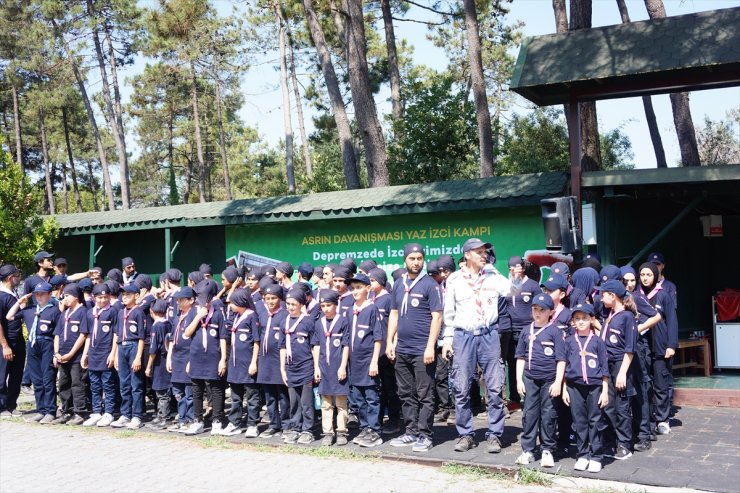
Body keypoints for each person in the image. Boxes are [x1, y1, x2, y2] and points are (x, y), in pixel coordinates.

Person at [441, 239, 511, 454]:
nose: (484, 255)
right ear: (467, 255)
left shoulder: (492, 276)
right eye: (479, 252)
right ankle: (465, 435)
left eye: (485, 252)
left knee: (495, 386)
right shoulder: (454, 280)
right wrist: (447, 340)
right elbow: (449, 314)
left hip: (489, 334)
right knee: (461, 388)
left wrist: (492, 269)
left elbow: (511, 291)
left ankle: (494, 435)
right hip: (464, 336)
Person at [386, 243, 444, 453]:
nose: (416, 262)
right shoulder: (399, 285)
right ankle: (410, 432)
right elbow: (393, 313)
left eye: (419, 258)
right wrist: (390, 341)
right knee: (405, 393)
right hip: (402, 349)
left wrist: (431, 347)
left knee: (425, 394)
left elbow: (437, 317)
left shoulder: (430, 284)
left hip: (422, 350)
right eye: (412, 258)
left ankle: (425, 435)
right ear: (405, 260)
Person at [514, 293, 566, 467]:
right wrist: (519, 380)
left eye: (542, 310)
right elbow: (520, 357)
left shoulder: (555, 331)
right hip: (530, 378)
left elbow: (561, 360)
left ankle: (547, 450)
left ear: (550, 312)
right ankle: (528, 450)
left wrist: (558, 382)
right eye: (535, 309)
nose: (538, 313)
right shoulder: (525, 330)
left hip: (549, 380)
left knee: (549, 415)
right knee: (529, 414)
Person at [562, 303, 609, 473]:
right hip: (574, 387)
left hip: (594, 386)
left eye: (585, 318)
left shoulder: (598, 342)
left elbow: (604, 368)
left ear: (592, 320)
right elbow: (565, 366)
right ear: (573, 321)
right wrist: (565, 388)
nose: (581, 322)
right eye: (577, 319)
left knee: (595, 420)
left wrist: (604, 391)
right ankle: (582, 454)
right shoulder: (568, 342)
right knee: (579, 421)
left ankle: (596, 455)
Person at [6, 280, 61, 423]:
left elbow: (58, 334)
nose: (39, 297)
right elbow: (9, 316)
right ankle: (41, 409)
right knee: (36, 380)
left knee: (48, 378)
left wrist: (56, 352)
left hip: (47, 343)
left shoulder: (54, 311)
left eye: (42, 294)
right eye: (37, 294)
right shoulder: (30, 310)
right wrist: (19, 302)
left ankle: (50, 410)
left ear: (49, 294)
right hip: (32, 344)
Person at [621, 265, 661, 450]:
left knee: (640, 389)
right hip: (619, 349)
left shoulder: (636, 297)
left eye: (632, 280)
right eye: (625, 280)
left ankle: (645, 431)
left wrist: (637, 329)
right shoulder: (613, 299)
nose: (629, 284)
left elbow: (656, 316)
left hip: (638, 347)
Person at [596, 279, 637, 460]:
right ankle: (611, 440)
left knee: (622, 406)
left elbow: (630, 348)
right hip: (607, 363)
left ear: (613, 296)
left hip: (620, 364)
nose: (600, 298)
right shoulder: (610, 315)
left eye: (603, 295)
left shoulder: (627, 317)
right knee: (609, 405)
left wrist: (622, 372)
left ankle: (625, 444)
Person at [183, 280, 228, 436]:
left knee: (216, 389)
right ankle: (198, 421)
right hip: (196, 357)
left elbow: (223, 337)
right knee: (196, 389)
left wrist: (223, 359)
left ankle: (216, 421)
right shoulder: (192, 313)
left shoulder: (218, 313)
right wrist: (197, 318)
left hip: (213, 357)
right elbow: (187, 334)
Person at [638, 262, 678, 436]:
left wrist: (671, 345)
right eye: (642, 275)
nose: (645, 278)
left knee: (661, 385)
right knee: (645, 386)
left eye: (648, 275)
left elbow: (672, 321)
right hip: (642, 347)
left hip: (661, 347)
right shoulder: (635, 296)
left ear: (655, 275)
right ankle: (647, 418)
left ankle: (663, 419)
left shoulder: (663, 296)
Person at [345, 274, 384, 448]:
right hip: (355, 364)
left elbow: (377, 338)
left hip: (368, 361)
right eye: (352, 288)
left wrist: (374, 361)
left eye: (359, 287)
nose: (355, 291)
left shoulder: (371, 309)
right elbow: (347, 338)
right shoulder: (350, 310)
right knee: (358, 398)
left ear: (368, 289)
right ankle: (365, 427)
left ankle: (375, 431)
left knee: (371, 397)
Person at [279, 288, 317, 444]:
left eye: (294, 304)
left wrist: (316, 368)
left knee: (306, 402)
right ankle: (295, 428)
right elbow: (282, 347)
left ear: (301, 304)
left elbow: (314, 346)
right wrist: (282, 368)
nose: (290, 307)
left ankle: (308, 430)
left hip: (306, 367)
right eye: (288, 304)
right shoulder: (284, 322)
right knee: (294, 401)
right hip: (290, 367)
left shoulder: (308, 322)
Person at [313, 289, 350, 446]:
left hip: (338, 368)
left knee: (341, 402)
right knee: (326, 403)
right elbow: (315, 346)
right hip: (324, 368)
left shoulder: (343, 321)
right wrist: (316, 367)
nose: (326, 309)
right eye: (323, 305)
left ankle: (341, 431)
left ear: (336, 305)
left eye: (329, 305)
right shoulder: (318, 323)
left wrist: (343, 366)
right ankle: (328, 432)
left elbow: (346, 345)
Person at [223, 288, 261, 438]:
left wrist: (254, 363)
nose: (230, 305)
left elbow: (256, 341)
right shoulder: (237, 316)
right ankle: (235, 423)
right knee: (235, 396)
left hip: (247, 363)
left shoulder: (251, 316)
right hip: (235, 363)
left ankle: (252, 424)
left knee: (251, 396)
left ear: (241, 302)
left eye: (232, 302)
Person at [81, 283, 119, 427]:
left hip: (106, 352)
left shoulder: (112, 311)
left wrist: (113, 353)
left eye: (105, 297)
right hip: (93, 354)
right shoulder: (89, 313)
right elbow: (88, 335)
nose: (103, 300)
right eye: (100, 297)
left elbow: (116, 333)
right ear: (94, 297)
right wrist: (85, 354)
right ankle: (96, 412)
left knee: (108, 384)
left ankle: (109, 412)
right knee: (94, 385)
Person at [504, 256, 541, 406]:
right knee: (512, 365)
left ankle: (531, 398)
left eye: (518, 267)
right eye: (512, 268)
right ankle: (514, 399)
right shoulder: (506, 286)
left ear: (523, 269)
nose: (515, 271)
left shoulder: (533, 286)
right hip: (509, 332)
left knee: (529, 364)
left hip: (528, 331)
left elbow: (540, 308)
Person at [368, 267, 400, 434]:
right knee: (376, 388)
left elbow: (395, 324)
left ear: (380, 281)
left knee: (390, 387)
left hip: (386, 350)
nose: (370, 283)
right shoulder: (370, 299)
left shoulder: (388, 299)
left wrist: (392, 344)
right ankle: (377, 420)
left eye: (372, 280)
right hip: (374, 350)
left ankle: (394, 419)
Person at [110, 284, 146, 429]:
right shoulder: (120, 312)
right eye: (123, 295)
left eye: (128, 295)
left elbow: (142, 337)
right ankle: (125, 414)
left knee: (135, 384)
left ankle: (136, 415)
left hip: (133, 346)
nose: (124, 297)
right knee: (123, 383)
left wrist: (138, 357)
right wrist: (115, 354)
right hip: (122, 347)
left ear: (136, 296)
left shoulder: (139, 312)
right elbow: (117, 334)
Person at [52, 283, 89, 425]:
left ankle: (79, 412)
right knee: (63, 384)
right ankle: (66, 411)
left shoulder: (83, 312)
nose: (64, 298)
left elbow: (83, 335)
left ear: (75, 296)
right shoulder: (64, 313)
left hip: (76, 357)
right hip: (62, 356)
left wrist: (71, 353)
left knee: (77, 383)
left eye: (67, 295)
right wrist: (56, 353)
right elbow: (57, 334)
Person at [256, 283, 290, 438]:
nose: (270, 301)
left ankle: (286, 424)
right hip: (265, 361)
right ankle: (273, 424)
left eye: (273, 298)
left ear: (279, 299)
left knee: (283, 396)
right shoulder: (262, 314)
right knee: (269, 396)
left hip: (278, 362)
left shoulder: (284, 315)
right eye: (267, 298)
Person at [166, 287, 197, 432]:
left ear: (191, 300)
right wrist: (169, 357)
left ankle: (191, 419)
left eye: (181, 300)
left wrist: (192, 360)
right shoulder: (178, 316)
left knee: (189, 392)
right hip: (176, 358)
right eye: (177, 300)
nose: (178, 302)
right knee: (178, 392)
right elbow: (172, 339)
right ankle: (182, 418)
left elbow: (194, 340)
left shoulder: (193, 315)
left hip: (188, 356)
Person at [0, 265, 25, 418]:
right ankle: (1, 407)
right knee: (2, 376)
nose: (19, 278)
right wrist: (5, 346)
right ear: (10, 278)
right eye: (17, 275)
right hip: (6, 343)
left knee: (17, 374)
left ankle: (11, 404)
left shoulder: (13, 293)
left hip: (18, 341)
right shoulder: (1, 296)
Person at [145, 299, 172, 430]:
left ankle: (164, 417)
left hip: (159, 361)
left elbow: (153, 349)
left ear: (152, 311)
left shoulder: (156, 326)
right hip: (167, 358)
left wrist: (149, 366)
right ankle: (162, 414)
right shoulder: (168, 323)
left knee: (161, 391)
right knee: (163, 389)